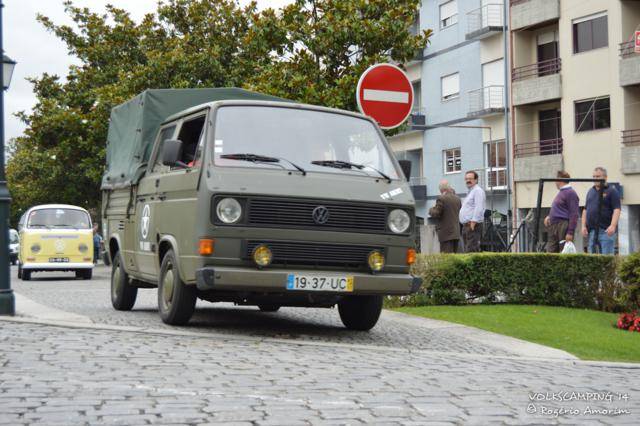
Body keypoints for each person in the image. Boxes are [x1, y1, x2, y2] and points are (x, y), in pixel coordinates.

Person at [581, 167, 621, 255]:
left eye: (598, 176)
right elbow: (585, 210)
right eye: (594, 176)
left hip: (606, 231)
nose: (595, 179)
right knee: (592, 260)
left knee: (607, 260)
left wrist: (613, 226)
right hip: (592, 232)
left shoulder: (612, 191)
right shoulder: (590, 191)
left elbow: (617, 209)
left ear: (605, 177)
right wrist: (583, 226)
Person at [544, 170, 580, 253]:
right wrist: (550, 216)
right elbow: (560, 208)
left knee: (564, 251)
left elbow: (574, 214)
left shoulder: (570, 193)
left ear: (559, 180)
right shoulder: (561, 193)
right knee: (551, 251)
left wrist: (570, 232)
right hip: (554, 225)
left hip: (563, 225)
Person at [429, 180, 462, 253]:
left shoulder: (441, 198)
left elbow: (436, 213)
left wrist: (431, 210)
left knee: (446, 257)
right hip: (456, 233)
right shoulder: (458, 199)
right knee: (454, 256)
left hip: (446, 233)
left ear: (441, 190)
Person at [459, 171, 486, 253]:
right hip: (466, 225)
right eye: (466, 179)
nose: (468, 181)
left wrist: (473, 223)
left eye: (470, 179)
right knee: (468, 250)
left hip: (472, 225)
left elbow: (479, 207)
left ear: (476, 180)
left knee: (472, 250)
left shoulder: (478, 191)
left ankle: (473, 266)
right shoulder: (470, 191)